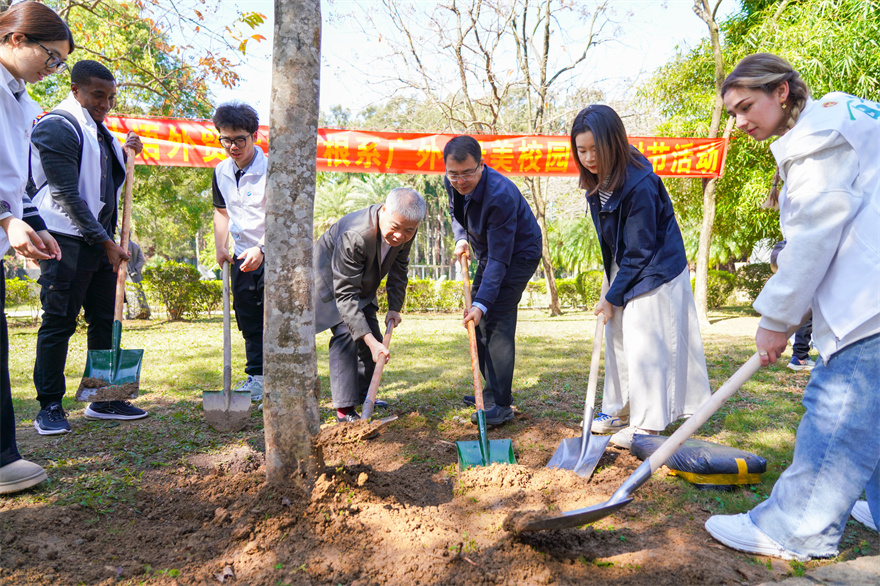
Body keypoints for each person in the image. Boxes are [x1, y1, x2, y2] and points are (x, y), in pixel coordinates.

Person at [705, 53, 880, 560]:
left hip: (871, 298)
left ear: (781, 92)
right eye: (733, 114)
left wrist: (777, 319)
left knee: (842, 404)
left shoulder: (815, 141)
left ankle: (797, 528)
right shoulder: (842, 114)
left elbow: (817, 234)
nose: (740, 123)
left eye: (746, 107)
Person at [569, 105, 711, 449]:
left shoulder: (640, 184)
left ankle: (648, 425)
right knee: (616, 334)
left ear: (612, 143)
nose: (587, 157)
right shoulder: (597, 179)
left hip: (656, 267)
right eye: (581, 150)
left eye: (594, 149)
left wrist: (612, 295)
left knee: (645, 341)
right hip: (626, 260)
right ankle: (620, 409)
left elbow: (642, 249)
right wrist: (612, 289)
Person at [30, 59, 148, 435]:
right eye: (99, 95)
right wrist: (106, 242)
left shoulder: (101, 133)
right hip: (64, 240)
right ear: (76, 89)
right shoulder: (57, 126)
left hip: (100, 242)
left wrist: (126, 151)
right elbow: (64, 193)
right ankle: (49, 405)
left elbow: (103, 184)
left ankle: (103, 398)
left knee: (104, 319)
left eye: (111, 97)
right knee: (59, 322)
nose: (106, 104)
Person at [0, 1, 72, 492]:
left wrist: (29, 220)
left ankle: (4, 457)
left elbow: (15, 177)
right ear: (17, 40)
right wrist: (8, 220)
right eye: (52, 58)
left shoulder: (21, 99)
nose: (54, 69)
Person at [443, 135, 542, 427]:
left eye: (468, 173)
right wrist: (462, 239)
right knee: (479, 321)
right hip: (489, 252)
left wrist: (483, 303)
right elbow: (455, 212)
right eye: (454, 174)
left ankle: (501, 404)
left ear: (481, 165)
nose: (460, 181)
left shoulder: (500, 195)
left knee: (495, 318)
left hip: (518, 254)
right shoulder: (452, 181)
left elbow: (501, 259)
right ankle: (488, 392)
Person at [314, 188, 424, 422]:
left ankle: (365, 397)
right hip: (331, 282)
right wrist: (371, 342)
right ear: (384, 211)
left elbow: (399, 267)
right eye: (395, 227)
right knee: (346, 334)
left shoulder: (407, 230)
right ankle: (344, 410)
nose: (399, 236)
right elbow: (344, 294)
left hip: (361, 283)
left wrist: (395, 306)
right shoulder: (356, 234)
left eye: (408, 231)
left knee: (371, 336)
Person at [211, 102, 266, 402]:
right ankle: (256, 377)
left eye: (239, 139)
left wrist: (262, 248)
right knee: (247, 317)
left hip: (274, 254)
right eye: (226, 139)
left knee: (274, 317)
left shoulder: (273, 169)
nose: (233, 146)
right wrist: (221, 246)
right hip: (241, 256)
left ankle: (280, 375)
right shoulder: (220, 171)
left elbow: (284, 217)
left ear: (255, 136)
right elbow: (222, 212)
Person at [770, 240, 814, 371]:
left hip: (787, 253)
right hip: (792, 255)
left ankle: (800, 355)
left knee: (806, 310)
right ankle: (800, 357)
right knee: (807, 312)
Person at [124, 239, 150, 319]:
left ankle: (132, 315)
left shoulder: (122, 246)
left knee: (129, 294)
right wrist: (135, 269)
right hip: (134, 274)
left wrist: (131, 270)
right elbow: (141, 260)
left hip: (127, 275)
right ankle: (143, 313)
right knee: (139, 293)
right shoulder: (136, 246)